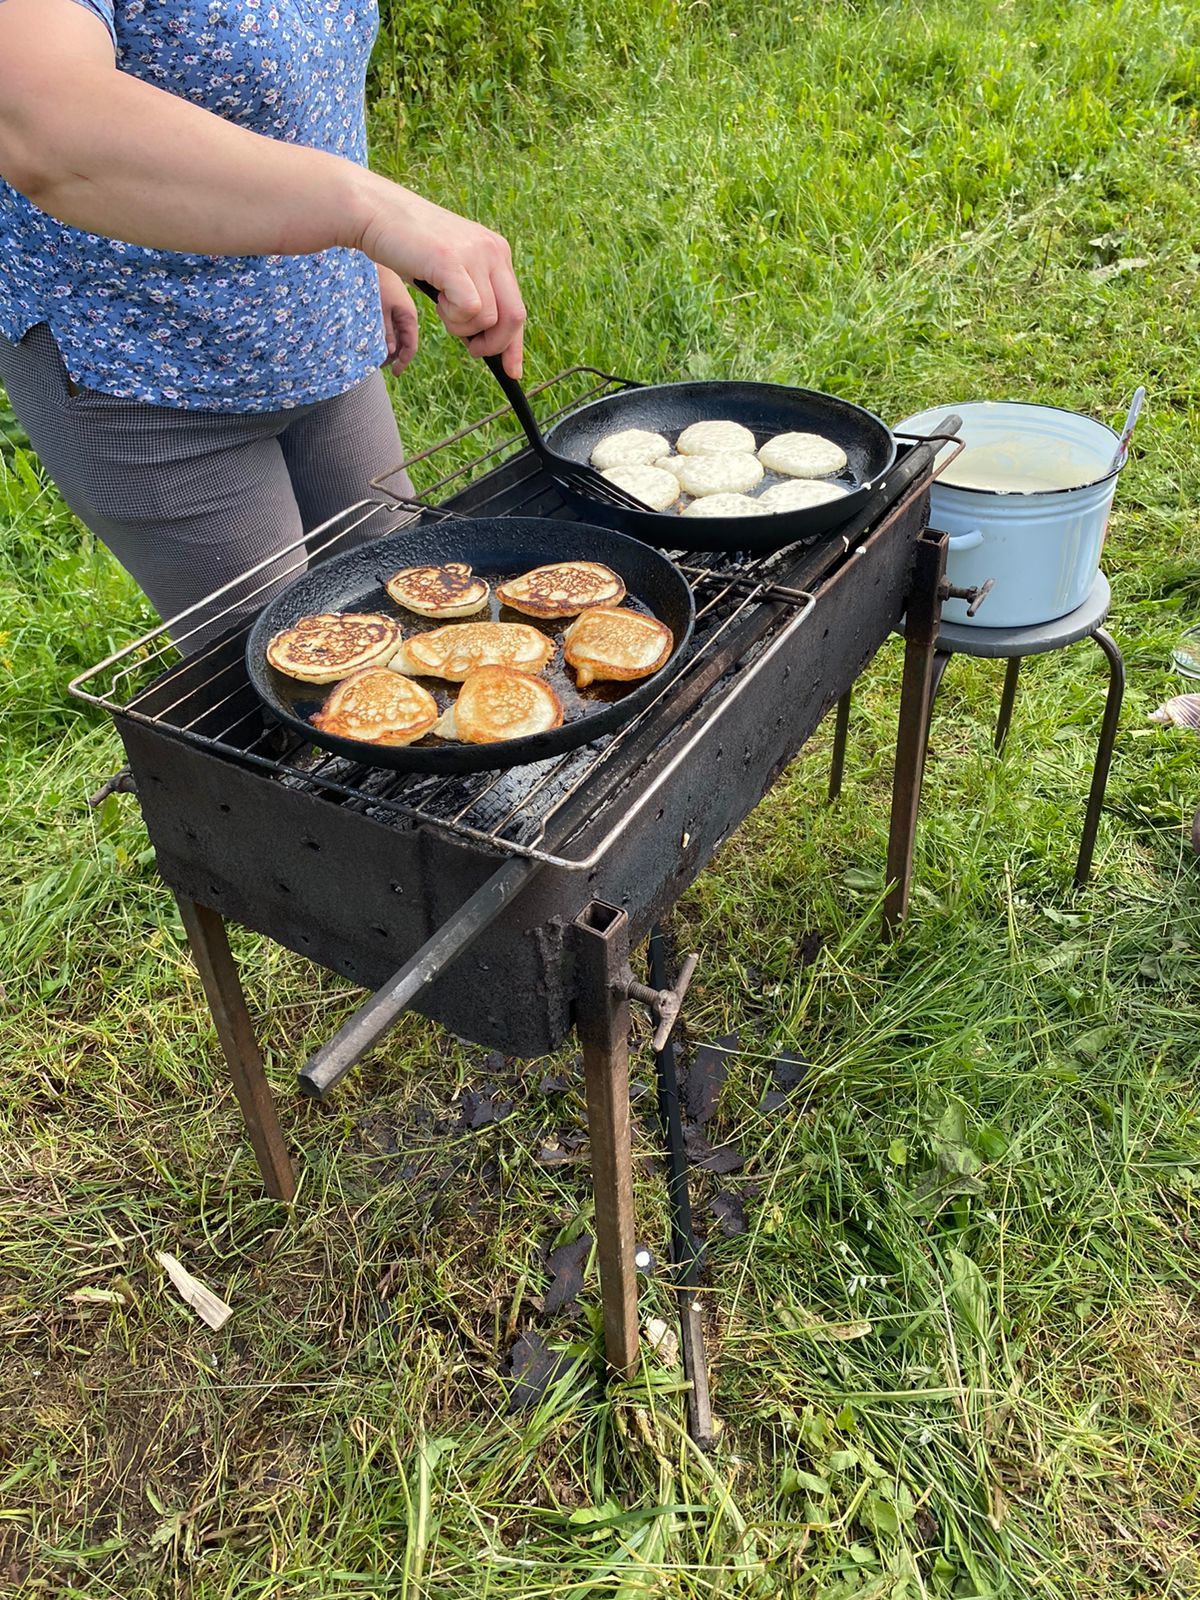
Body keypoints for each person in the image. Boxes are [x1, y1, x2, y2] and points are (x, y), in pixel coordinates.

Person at [0, 0, 526, 649]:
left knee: (413, 595)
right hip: (144, 357)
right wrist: (368, 212)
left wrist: (372, 253)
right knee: (285, 673)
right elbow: (45, 126)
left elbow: (311, 72)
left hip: (317, 320)